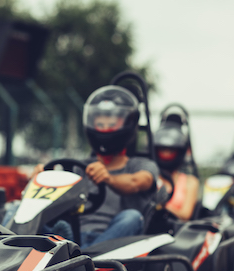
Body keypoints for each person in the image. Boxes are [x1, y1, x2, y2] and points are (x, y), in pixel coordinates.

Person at [19, 85, 159, 249]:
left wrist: (108, 178)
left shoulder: (142, 165)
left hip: (112, 237)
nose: (105, 128)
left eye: (111, 123)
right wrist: (41, 179)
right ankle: (65, 246)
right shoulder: (78, 167)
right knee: (19, 210)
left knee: (132, 217)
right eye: (100, 123)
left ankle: (79, 254)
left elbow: (136, 182)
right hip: (74, 232)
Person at [153, 112, 199, 220]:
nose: (166, 154)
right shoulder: (150, 177)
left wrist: (161, 205)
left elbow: (185, 215)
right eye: (163, 149)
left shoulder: (190, 182)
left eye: (171, 150)